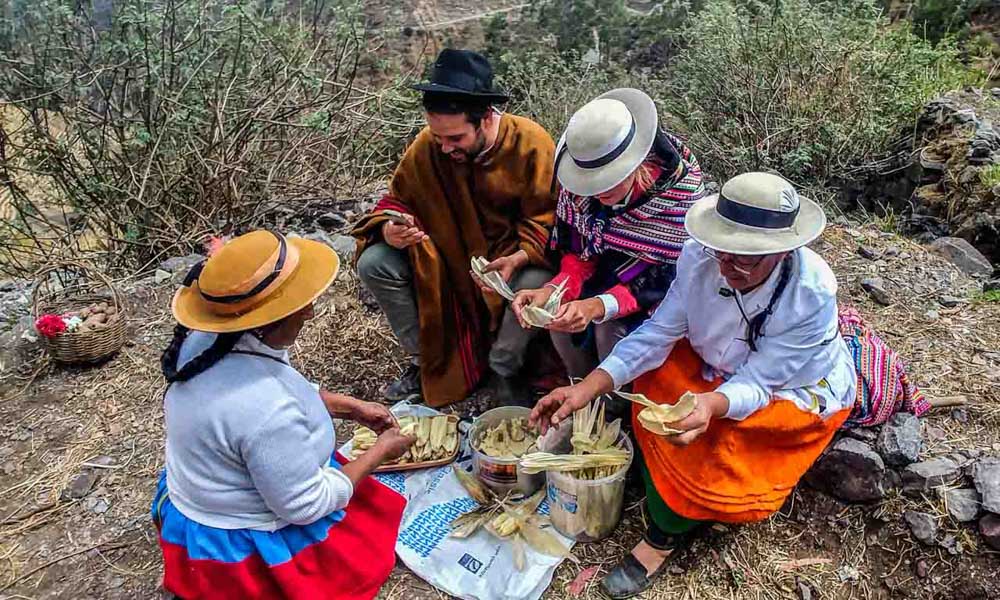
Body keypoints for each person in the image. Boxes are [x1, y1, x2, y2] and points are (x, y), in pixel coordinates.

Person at [530, 173, 858, 599]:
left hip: (783, 386)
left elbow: (759, 382)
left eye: (745, 260)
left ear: (783, 251)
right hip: (712, 364)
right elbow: (659, 331)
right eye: (723, 253)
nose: (727, 267)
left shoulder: (809, 294)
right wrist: (586, 389)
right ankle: (665, 490)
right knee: (649, 385)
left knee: (724, 441)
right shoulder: (699, 257)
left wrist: (712, 405)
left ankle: (664, 534)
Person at [152, 230, 415, 600]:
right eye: (299, 305)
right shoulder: (264, 410)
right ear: (264, 320)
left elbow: (286, 388)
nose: (309, 311)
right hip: (237, 534)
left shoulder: (209, 340)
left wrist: (350, 407)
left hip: (199, 487)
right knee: (360, 552)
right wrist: (379, 452)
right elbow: (305, 505)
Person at [352, 49, 556, 408]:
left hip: (511, 264)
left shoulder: (531, 144)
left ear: (487, 118)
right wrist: (390, 231)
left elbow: (550, 220)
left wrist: (518, 257)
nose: (445, 148)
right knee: (375, 262)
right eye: (438, 137)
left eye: (456, 139)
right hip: (448, 263)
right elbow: (397, 202)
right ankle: (426, 362)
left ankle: (505, 369)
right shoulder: (428, 146)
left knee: (535, 280)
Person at [511, 88, 704, 380]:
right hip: (603, 274)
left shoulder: (679, 200)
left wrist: (598, 306)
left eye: (609, 180)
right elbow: (578, 251)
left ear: (639, 162)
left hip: (652, 292)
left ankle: (613, 407)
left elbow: (670, 276)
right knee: (557, 319)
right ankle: (579, 394)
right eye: (590, 183)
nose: (598, 192)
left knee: (609, 332)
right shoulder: (578, 193)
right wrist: (555, 291)